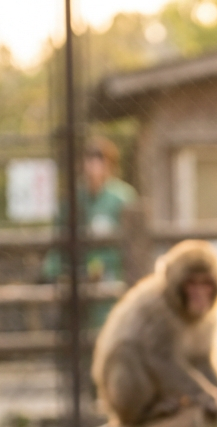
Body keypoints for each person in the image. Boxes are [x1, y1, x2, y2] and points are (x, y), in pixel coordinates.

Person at [43, 136, 138, 327]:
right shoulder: (73, 198)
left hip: (113, 276)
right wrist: (53, 270)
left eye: (100, 160)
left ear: (110, 164)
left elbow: (134, 243)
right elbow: (59, 235)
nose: (94, 166)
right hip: (76, 274)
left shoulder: (123, 198)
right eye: (90, 160)